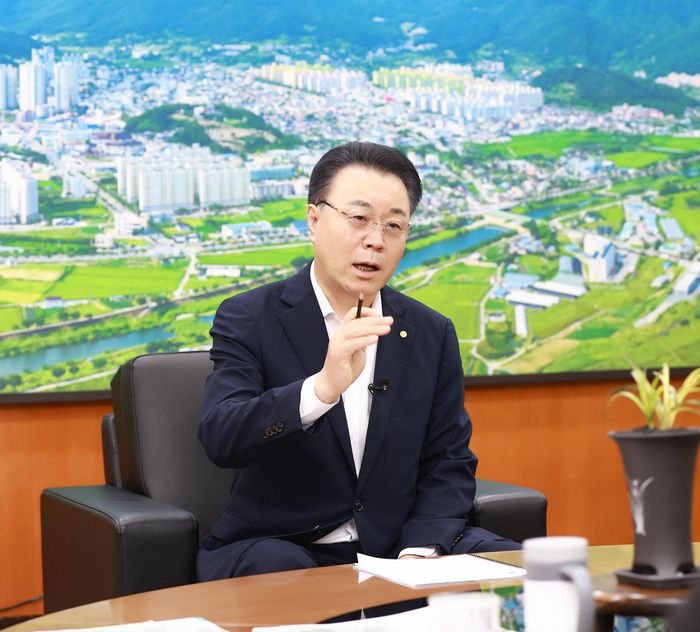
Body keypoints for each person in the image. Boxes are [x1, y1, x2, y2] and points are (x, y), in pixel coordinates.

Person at [197, 141, 518, 581]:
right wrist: (321, 390)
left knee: (523, 569)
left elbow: (448, 462)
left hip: (398, 545)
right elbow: (222, 436)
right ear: (314, 220)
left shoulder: (430, 331)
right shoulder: (249, 317)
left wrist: (420, 552)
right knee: (290, 576)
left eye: (394, 226)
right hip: (285, 544)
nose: (375, 240)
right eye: (359, 219)